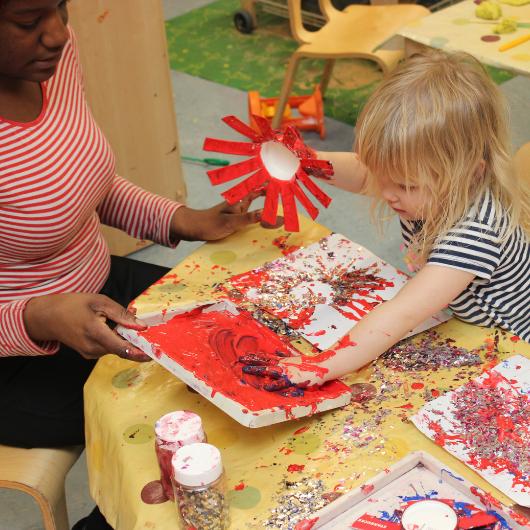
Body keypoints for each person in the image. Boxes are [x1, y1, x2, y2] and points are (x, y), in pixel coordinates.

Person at [0, 1, 261, 528]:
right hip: (17, 360)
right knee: (188, 421)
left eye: (61, 8)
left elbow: (84, 182)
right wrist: (39, 317)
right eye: (30, 22)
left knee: (243, 340)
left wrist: (184, 220)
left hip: (100, 289)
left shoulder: (53, 59)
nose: (57, 34)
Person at [242, 50, 530, 391]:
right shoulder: (426, 188)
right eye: (384, 176)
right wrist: (308, 162)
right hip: (461, 320)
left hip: (511, 348)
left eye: (405, 185)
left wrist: (321, 365)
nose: (387, 193)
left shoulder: (475, 233)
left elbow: (403, 313)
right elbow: (363, 174)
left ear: (469, 175)